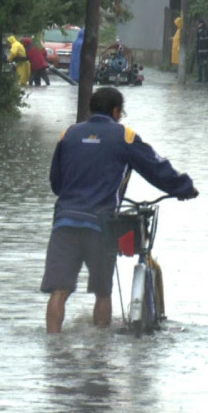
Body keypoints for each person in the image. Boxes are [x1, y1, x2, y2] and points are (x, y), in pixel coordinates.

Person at [41, 87, 199, 333]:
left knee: (59, 292)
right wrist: (183, 188)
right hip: (100, 225)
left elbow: (56, 183)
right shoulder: (123, 136)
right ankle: (100, 352)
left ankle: (52, 349)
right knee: (103, 293)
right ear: (116, 111)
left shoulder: (68, 134)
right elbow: (155, 167)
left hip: (64, 223)